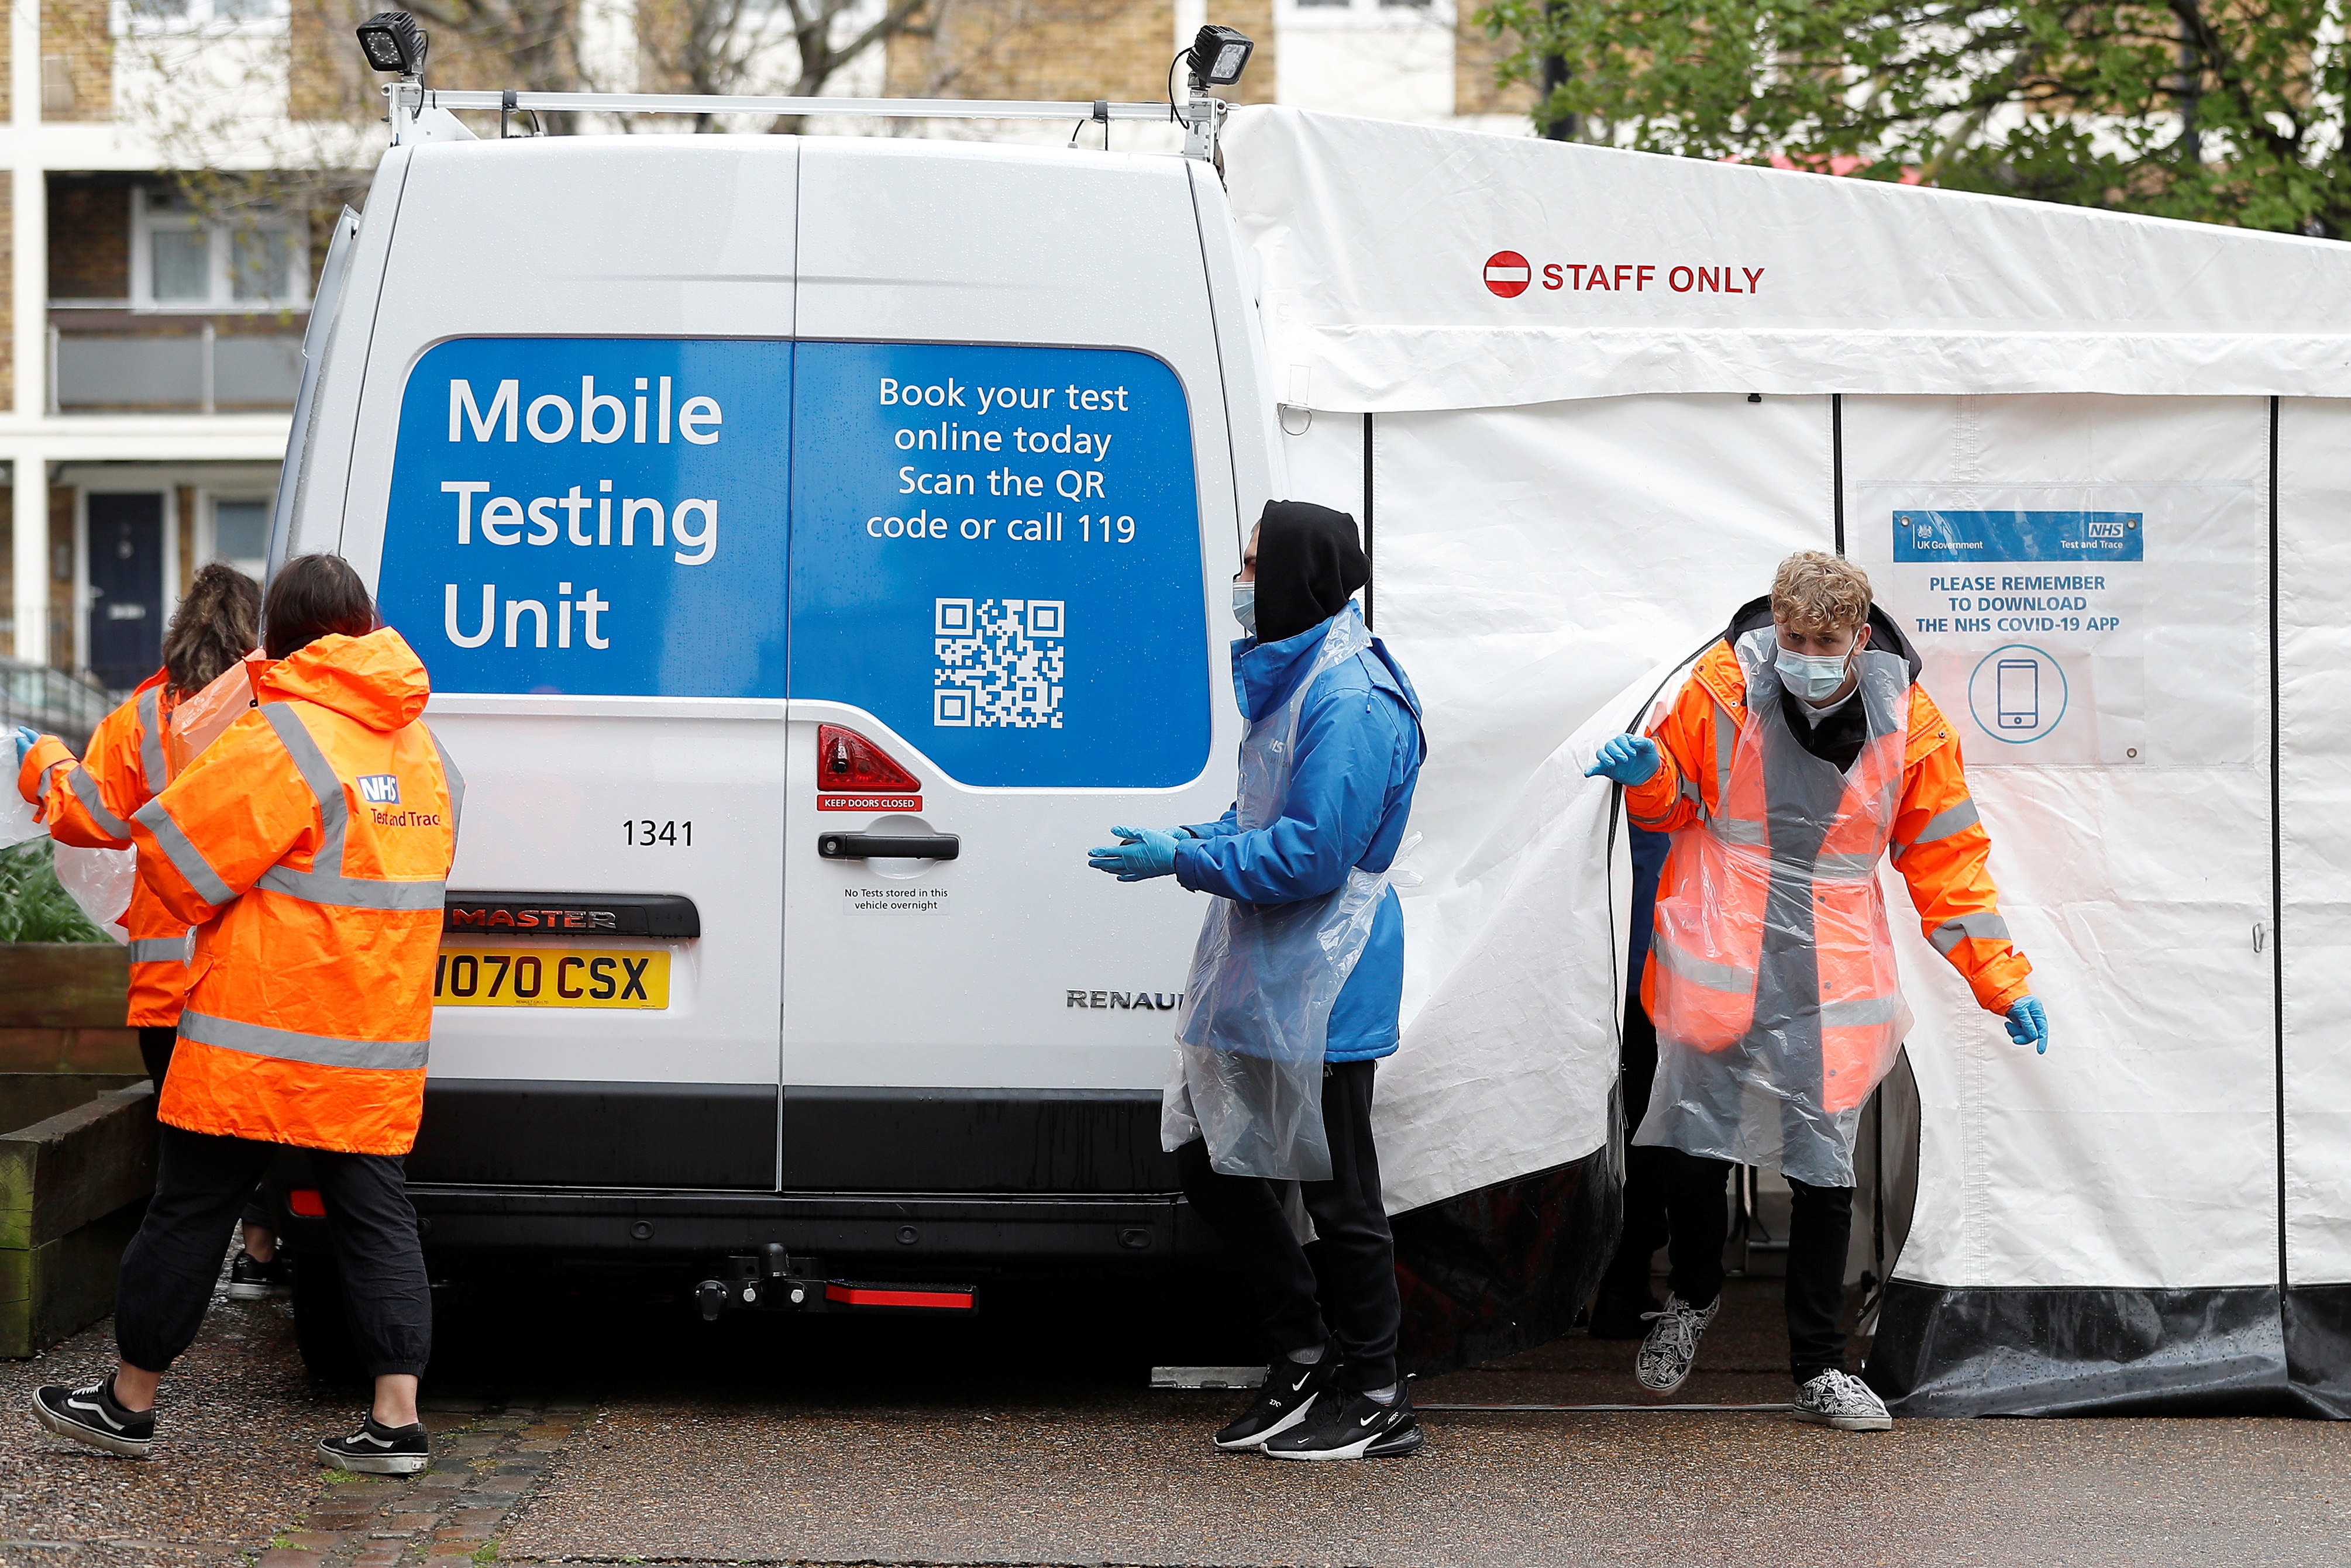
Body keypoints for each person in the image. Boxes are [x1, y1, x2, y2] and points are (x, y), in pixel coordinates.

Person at [1584, 550, 2049, 1431]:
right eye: (1791, 637)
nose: (1802, 655)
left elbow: (1946, 863)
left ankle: (1819, 1367)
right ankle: (1691, 1293)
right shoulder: (1719, 689)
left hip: (1831, 959)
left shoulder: (1909, 725)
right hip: (1723, 942)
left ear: (1858, 639)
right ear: (1774, 624)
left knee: (1822, 1163)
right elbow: (1673, 805)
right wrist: (1647, 776)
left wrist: (1999, 979)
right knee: (1689, 1143)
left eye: (1823, 642)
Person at [27, 554, 460, 1472]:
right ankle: (396, 1421)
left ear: (285, 638)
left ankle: (128, 1402)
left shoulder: (283, 738)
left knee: (189, 1210)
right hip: (373, 1039)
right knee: (377, 1219)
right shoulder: (423, 749)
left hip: (259, 1036)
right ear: (365, 625)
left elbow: (178, 870)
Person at [1089, 501, 1428, 1462]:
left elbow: (1312, 854)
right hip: (1276, 968)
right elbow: (1263, 814)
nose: (1240, 581)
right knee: (1210, 1157)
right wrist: (1192, 837)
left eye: (1251, 562)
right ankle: (1305, 1352)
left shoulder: (1350, 699)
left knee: (1340, 1195)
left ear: (1293, 574)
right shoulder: (1300, 674)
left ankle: (1376, 1391)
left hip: (1327, 976)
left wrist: (1183, 860)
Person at [13, 564, 294, 1301]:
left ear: (179, 630)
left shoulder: (142, 718)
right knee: (268, 1124)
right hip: (256, 976)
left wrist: (42, 760)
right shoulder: (281, 708)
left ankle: (164, 1311)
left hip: (168, 983)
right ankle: (260, 1253)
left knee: (186, 1162)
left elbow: (91, 819)